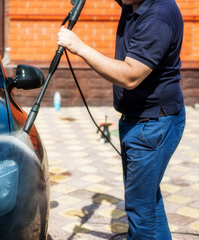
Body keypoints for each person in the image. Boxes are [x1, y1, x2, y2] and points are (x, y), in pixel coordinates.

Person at [57, 0, 186, 239]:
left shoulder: (158, 17)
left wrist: (80, 47)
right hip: (140, 120)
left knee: (140, 209)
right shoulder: (134, 1)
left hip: (152, 125)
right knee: (148, 200)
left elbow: (130, 75)